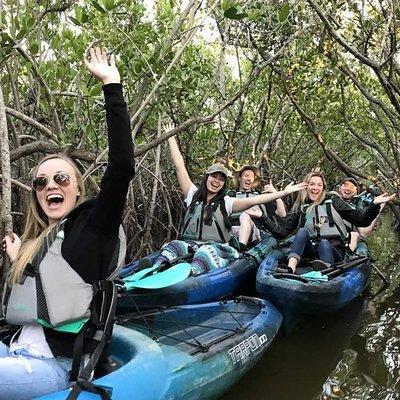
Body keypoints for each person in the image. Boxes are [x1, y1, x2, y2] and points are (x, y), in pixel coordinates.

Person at [0, 47, 134, 399]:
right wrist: (18, 258)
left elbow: (121, 168)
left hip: (54, 367)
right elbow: (44, 289)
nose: (50, 186)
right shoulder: (40, 243)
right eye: (41, 182)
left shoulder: (93, 228)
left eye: (61, 178)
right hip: (13, 351)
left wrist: (111, 84)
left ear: (76, 189)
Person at [152, 126, 307, 276]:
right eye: (214, 177)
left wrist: (284, 192)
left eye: (221, 179)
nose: (216, 181)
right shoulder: (192, 194)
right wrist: (171, 137)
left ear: (224, 183)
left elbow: (258, 198)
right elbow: (180, 167)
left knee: (204, 253)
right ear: (207, 177)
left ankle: (192, 273)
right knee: (174, 246)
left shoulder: (227, 202)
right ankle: (157, 269)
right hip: (191, 243)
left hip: (217, 247)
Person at [258, 171, 395, 273]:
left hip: (334, 250)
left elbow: (362, 221)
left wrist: (374, 204)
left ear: (323, 188)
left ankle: (326, 272)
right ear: (306, 187)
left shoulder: (334, 201)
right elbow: (282, 232)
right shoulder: (301, 206)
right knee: (302, 231)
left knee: (324, 243)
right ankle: (291, 267)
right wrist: (261, 217)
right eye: (311, 184)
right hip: (311, 251)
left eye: (319, 185)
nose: (315, 188)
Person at [228, 165, 286, 250]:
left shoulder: (261, 197)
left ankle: (241, 247)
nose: (249, 179)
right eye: (246, 175)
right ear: (240, 178)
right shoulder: (230, 196)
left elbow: (282, 213)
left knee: (245, 216)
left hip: (254, 232)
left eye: (251, 177)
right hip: (231, 231)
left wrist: (274, 192)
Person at [338, 177, 385, 251]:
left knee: (356, 238)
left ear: (355, 191)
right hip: (330, 238)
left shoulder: (356, 208)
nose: (348, 189)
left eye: (352, 187)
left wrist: (379, 206)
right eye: (346, 185)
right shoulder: (330, 200)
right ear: (339, 188)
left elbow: (364, 232)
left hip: (348, 240)